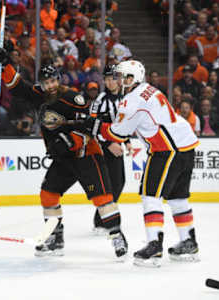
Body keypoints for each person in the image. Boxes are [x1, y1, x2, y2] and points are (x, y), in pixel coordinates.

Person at [0, 49, 128, 259]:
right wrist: (5, 64)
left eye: (52, 82)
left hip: (86, 154)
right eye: (46, 83)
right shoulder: (39, 95)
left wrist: (68, 141)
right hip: (63, 159)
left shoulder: (72, 98)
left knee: (103, 198)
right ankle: (55, 238)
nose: (50, 86)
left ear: (58, 80)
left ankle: (116, 235)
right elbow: (17, 87)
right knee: (48, 194)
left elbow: (88, 126)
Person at [82, 60, 200, 267]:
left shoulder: (132, 100)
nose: (117, 80)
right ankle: (188, 241)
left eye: (121, 76)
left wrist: (95, 125)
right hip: (186, 145)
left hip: (167, 149)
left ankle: (154, 246)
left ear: (131, 79)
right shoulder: (148, 89)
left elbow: (118, 132)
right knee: (178, 197)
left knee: (150, 195)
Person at [89, 65, 132, 233]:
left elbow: (122, 125)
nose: (109, 82)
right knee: (108, 184)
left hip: (116, 146)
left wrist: (126, 141)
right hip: (102, 147)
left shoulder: (124, 100)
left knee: (118, 182)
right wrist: (108, 144)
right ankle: (101, 221)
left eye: (113, 78)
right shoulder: (100, 99)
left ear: (119, 80)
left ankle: (103, 217)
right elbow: (92, 125)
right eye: (106, 79)